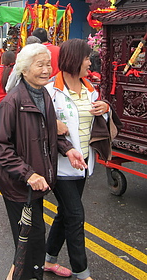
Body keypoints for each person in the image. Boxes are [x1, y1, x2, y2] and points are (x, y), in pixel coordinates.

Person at [0, 43, 85, 280]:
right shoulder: (11, 103)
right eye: (40, 65)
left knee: (32, 239)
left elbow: (49, 131)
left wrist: (68, 149)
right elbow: (1, 148)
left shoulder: (43, 95)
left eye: (48, 64)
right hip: (19, 187)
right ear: (24, 69)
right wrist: (28, 174)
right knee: (30, 241)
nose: (46, 70)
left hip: (37, 186)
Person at [44, 38, 110, 280]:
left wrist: (105, 107)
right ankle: (82, 272)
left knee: (65, 213)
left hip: (83, 165)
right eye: (86, 57)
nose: (89, 61)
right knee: (75, 216)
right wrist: (52, 123)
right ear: (73, 59)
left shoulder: (91, 89)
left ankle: (48, 259)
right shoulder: (51, 91)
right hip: (60, 166)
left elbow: (97, 118)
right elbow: (37, 122)